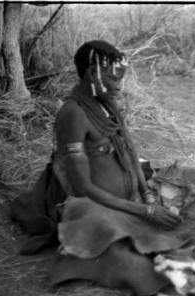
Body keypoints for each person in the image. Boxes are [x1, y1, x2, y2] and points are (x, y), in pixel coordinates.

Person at [52, 40, 182, 231]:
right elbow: (82, 188)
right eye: (114, 78)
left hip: (131, 201)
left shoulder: (106, 105)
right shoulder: (73, 114)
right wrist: (145, 212)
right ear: (91, 74)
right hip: (98, 206)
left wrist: (148, 197)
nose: (120, 86)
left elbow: (130, 150)